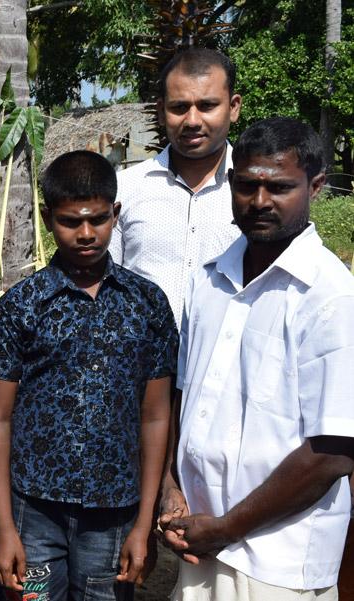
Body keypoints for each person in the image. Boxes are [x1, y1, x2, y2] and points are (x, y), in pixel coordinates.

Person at [158, 117, 354, 600]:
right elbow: (185, 396)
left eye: (281, 187)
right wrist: (171, 488)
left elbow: (332, 452)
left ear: (316, 186)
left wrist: (227, 527)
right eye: (246, 185)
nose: (261, 201)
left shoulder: (330, 296)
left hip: (279, 561)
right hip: (199, 543)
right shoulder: (209, 281)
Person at [0, 150, 179, 601]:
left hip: (115, 515)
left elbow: (155, 417)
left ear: (116, 214)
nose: (86, 233)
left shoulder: (147, 305)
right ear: (48, 219)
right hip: (35, 512)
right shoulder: (21, 306)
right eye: (71, 221)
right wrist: (5, 528)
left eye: (98, 219)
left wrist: (143, 525)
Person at [112, 47, 243, 325]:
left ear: (233, 108)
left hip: (231, 365)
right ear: (161, 111)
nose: (192, 121)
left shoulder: (257, 193)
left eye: (207, 106)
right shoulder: (125, 189)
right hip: (143, 365)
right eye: (179, 107)